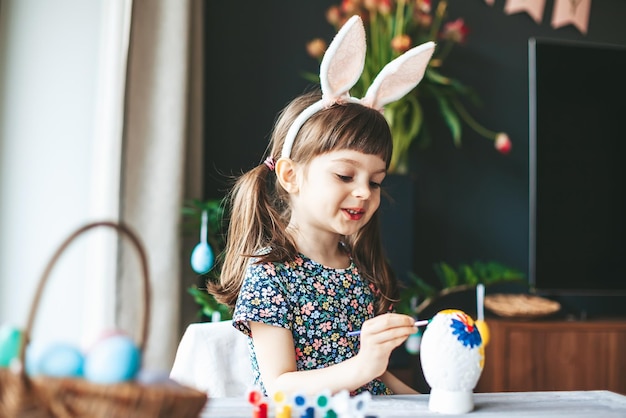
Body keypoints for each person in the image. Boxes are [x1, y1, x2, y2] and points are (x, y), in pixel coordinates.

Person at [208, 16, 435, 397]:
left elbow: (373, 378)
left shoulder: (359, 267)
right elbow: (279, 386)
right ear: (291, 176)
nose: (364, 192)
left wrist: (424, 402)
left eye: (375, 181)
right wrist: (364, 364)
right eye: (345, 176)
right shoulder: (271, 276)